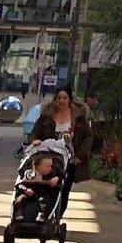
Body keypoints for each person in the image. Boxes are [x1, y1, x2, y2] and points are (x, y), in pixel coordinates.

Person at [28, 90, 91, 222]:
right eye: (59, 98)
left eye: (65, 98)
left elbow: (88, 137)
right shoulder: (46, 117)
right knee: (42, 185)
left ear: (69, 100)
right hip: (46, 158)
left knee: (63, 190)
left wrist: (80, 156)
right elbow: (34, 133)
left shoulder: (78, 118)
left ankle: (55, 219)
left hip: (69, 160)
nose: (61, 101)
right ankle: (39, 212)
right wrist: (34, 140)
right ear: (55, 100)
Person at [14, 151, 65, 223]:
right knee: (20, 198)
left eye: (51, 166)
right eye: (47, 166)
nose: (50, 168)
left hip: (44, 193)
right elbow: (20, 184)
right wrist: (25, 189)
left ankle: (42, 214)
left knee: (44, 201)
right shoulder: (28, 174)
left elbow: (61, 180)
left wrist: (57, 179)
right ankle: (18, 214)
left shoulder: (52, 175)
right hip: (30, 193)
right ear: (37, 166)